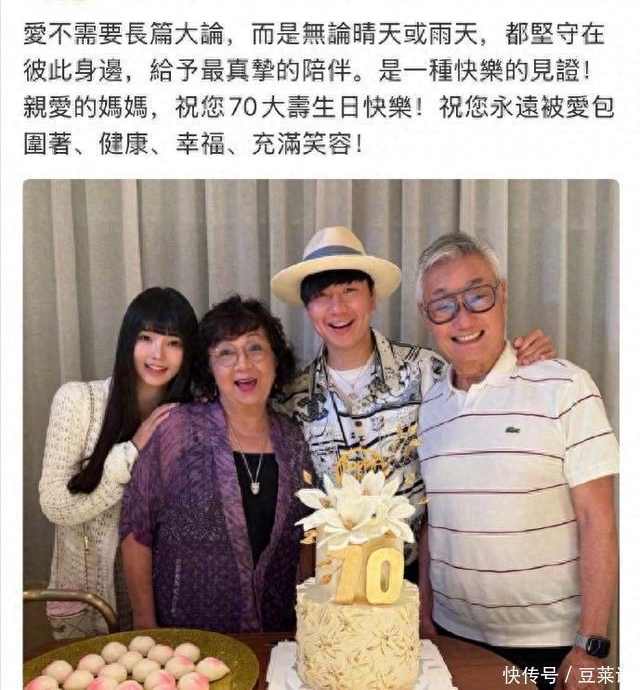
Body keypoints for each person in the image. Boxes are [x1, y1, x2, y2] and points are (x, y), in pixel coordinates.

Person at [270, 225, 555, 596]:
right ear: (308, 310)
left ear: (373, 298)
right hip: (335, 584)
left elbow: (484, 420)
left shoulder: (428, 372)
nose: (337, 308)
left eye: (349, 291)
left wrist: (525, 357)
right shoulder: (291, 400)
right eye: (322, 296)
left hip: (423, 580)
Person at [415, 232, 619, 690]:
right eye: (443, 304)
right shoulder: (430, 406)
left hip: (551, 645)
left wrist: (591, 644)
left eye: (477, 296)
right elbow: (436, 519)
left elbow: (599, 520)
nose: (463, 317)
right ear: (426, 316)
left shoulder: (565, 387)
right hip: (452, 637)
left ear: (502, 294)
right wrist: (426, 612)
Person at [120, 296, 313, 632]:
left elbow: (307, 536)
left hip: (276, 635)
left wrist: (310, 618)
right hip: (187, 638)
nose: (243, 364)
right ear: (209, 367)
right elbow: (137, 529)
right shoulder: (177, 429)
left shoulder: (294, 439)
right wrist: (144, 622)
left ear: (275, 360)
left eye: (255, 348)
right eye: (226, 352)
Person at [39, 287, 198, 636]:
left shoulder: (189, 418)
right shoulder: (78, 401)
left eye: (173, 342)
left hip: (159, 601)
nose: (158, 354)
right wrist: (133, 449)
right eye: (146, 338)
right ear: (128, 340)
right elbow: (55, 505)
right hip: (86, 602)